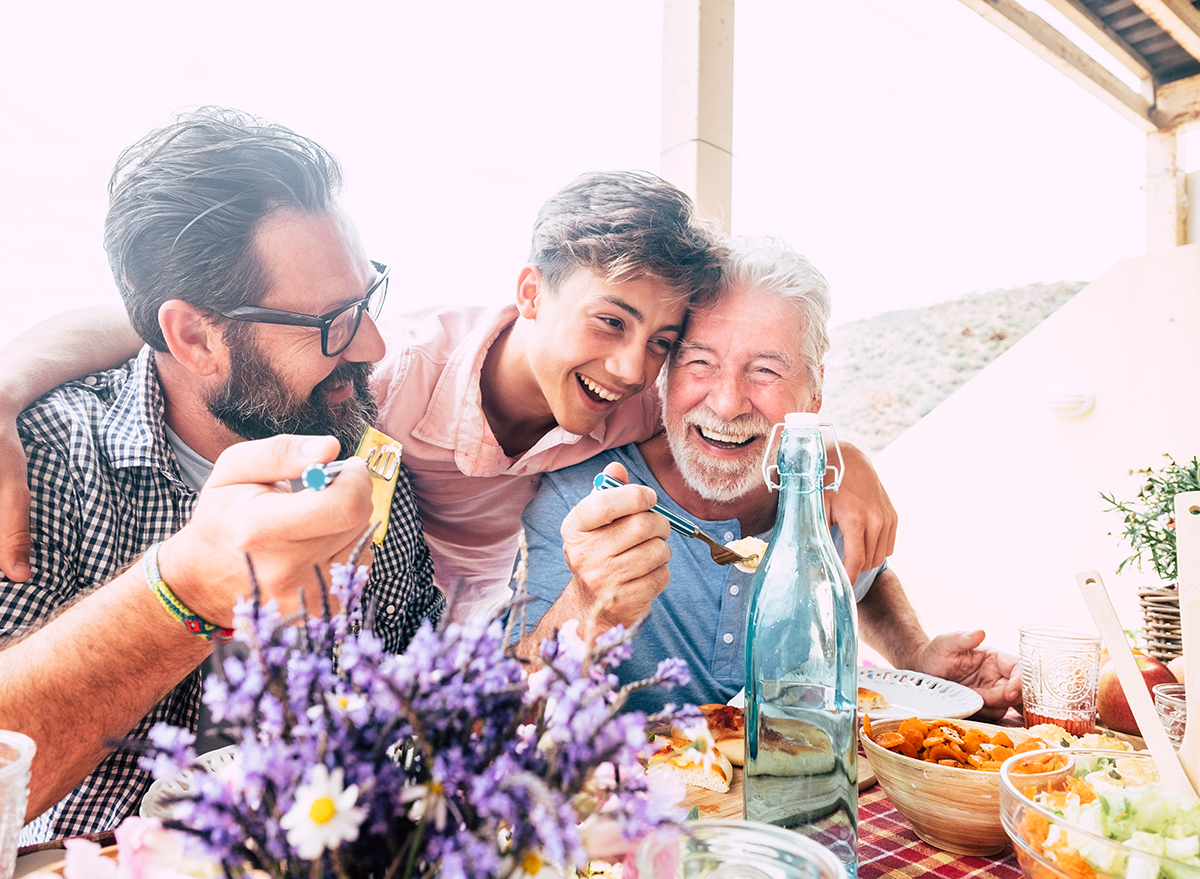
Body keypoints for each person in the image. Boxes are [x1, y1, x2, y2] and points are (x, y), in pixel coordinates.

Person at [0, 177, 897, 622]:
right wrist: (8, 382)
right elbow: (186, 333)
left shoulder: (637, 399)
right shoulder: (387, 378)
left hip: (497, 613)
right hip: (397, 599)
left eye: (660, 342)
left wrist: (840, 459)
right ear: (531, 294)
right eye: (610, 322)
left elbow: (740, 413)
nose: (631, 367)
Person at [0, 108, 442, 843]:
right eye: (333, 320)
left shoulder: (362, 458)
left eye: (368, 298)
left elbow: (416, 705)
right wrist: (181, 592)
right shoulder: (42, 458)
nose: (371, 342)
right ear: (195, 337)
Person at [515, 237, 1021, 720]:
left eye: (764, 371)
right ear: (665, 375)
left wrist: (915, 658)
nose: (728, 403)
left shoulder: (824, 497)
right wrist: (589, 605)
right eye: (700, 362)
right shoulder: (579, 498)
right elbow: (508, 710)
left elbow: (863, 579)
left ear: (814, 393)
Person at [0, 434, 374, 828]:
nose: (372, 366)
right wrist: (184, 589)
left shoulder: (362, 445)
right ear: (194, 364)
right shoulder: (40, 458)